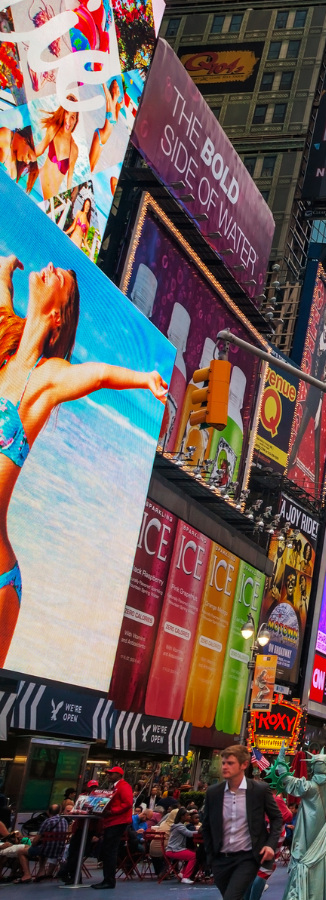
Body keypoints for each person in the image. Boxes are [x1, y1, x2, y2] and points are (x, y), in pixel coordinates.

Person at [0, 257, 169, 663]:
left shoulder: (48, 377)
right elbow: (3, 296)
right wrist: (6, 269)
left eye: (60, 277)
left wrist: (144, 378)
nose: (51, 265)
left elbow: (98, 375)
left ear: (57, 316)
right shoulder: (4, 347)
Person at [201, 745, 284, 900]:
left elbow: (277, 818)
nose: (225, 767)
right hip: (220, 859)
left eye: (230, 763)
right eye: (223, 763)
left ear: (244, 765)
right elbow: (206, 825)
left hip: (247, 858)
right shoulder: (213, 792)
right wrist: (211, 854)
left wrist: (270, 844)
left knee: (231, 897)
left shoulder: (259, 790)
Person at [87, 764, 134, 889]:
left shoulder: (123, 786)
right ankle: (108, 879)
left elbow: (128, 803)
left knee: (110, 851)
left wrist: (111, 811)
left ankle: (109, 880)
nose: (108, 775)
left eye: (111, 773)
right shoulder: (117, 787)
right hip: (114, 821)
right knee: (108, 850)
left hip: (117, 821)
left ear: (119, 775)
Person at [166, 811, 200, 883]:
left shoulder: (179, 825)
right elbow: (189, 833)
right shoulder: (179, 826)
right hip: (174, 850)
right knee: (193, 856)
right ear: (182, 817)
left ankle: (182, 873)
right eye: (187, 815)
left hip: (174, 849)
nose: (189, 817)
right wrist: (200, 832)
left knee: (191, 853)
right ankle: (186, 877)